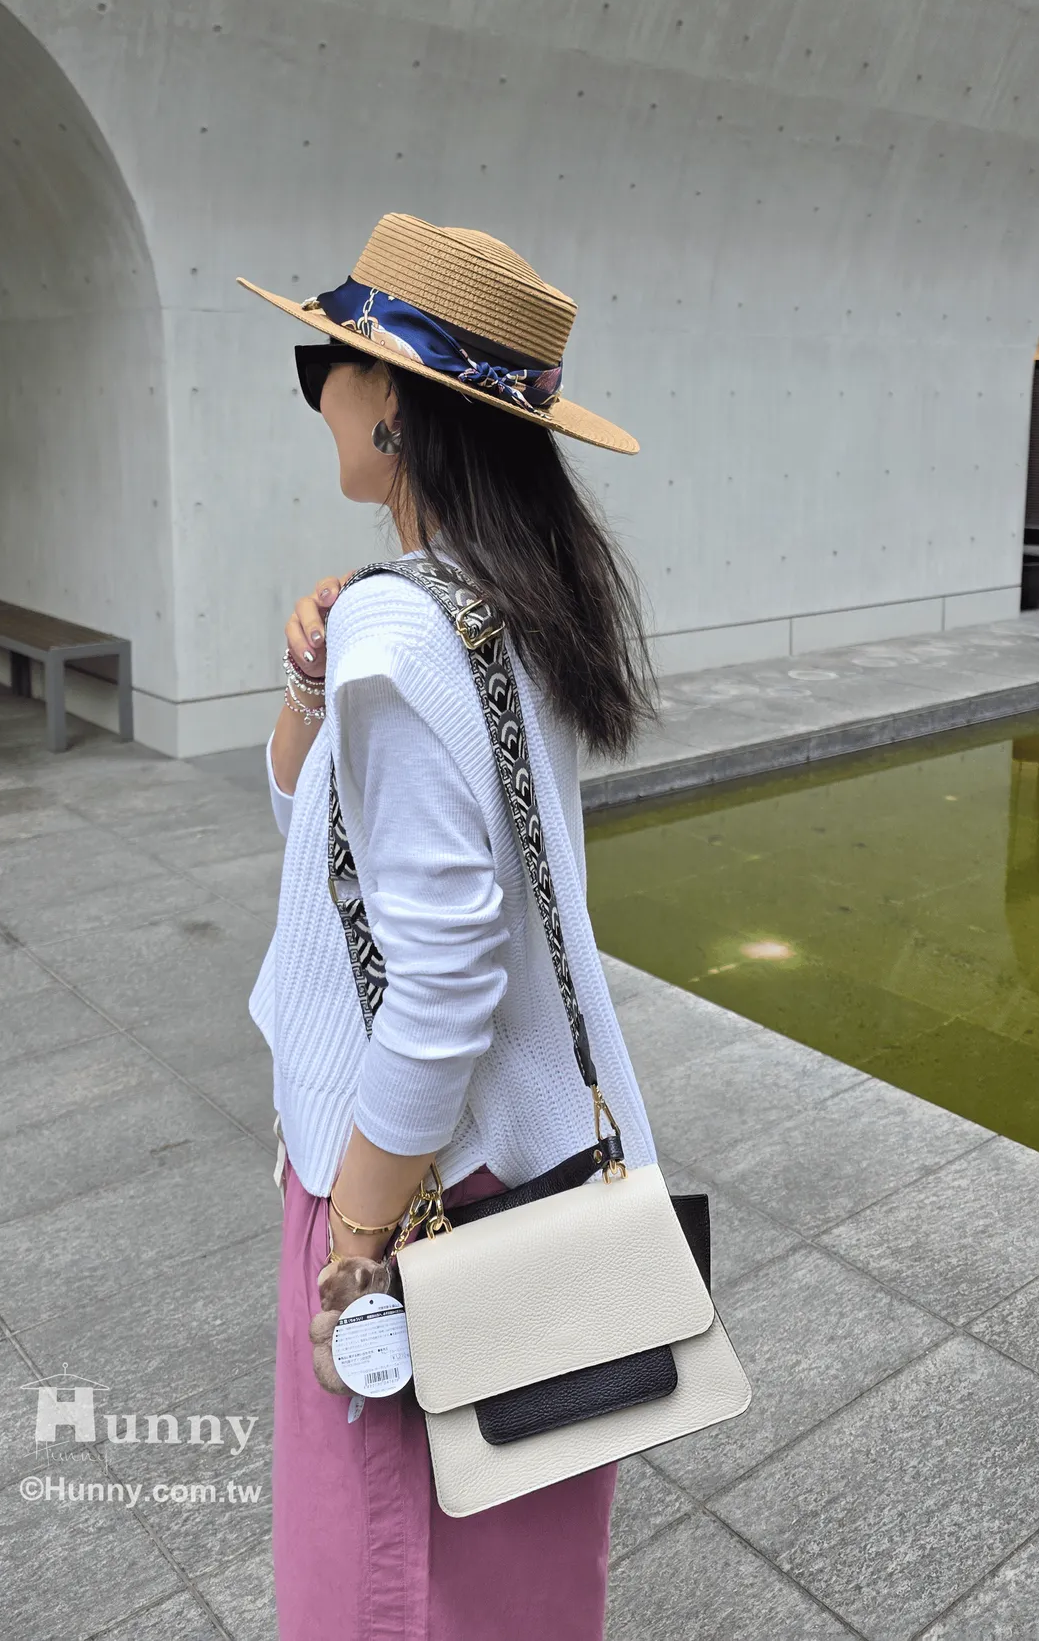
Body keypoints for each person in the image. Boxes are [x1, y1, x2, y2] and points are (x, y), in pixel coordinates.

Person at [243, 211, 660, 1640]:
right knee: (519, 1574)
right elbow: (318, 836)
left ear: (397, 405)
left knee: (390, 1587)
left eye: (331, 363)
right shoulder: (509, 598)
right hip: (538, 1184)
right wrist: (310, 686)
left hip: (418, 1185)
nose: (318, 391)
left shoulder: (408, 626)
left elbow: (441, 981)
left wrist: (356, 1244)